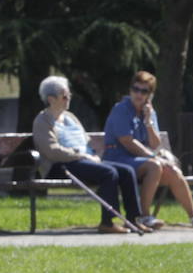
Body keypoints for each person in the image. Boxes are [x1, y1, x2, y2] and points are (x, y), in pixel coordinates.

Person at [32, 75, 149, 234]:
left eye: (69, 95)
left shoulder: (70, 118)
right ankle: (107, 222)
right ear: (51, 99)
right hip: (60, 166)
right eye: (64, 96)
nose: (68, 99)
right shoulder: (42, 121)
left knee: (127, 171)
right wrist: (81, 156)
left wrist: (92, 155)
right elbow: (52, 151)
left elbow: (85, 142)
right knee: (108, 172)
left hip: (83, 161)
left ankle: (133, 219)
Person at [102, 70, 193, 231]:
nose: (138, 94)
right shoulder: (121, 109)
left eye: (144, 91)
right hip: (117, 158)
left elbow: (154, 143)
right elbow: (128, 142)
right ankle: (144, 216)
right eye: (135, 89)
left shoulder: (149, 112)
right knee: (155, 166)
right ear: (130, 89)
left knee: (173, 171)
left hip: (139, 161)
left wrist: (148, 122)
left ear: (150, 95)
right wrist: (154, 157)